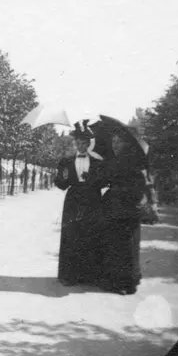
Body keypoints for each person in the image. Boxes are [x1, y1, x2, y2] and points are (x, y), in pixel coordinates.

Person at [54, 121, 105, 287]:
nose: (81, 145)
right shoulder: (66, 161)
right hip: (73, 200)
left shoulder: (97, 162)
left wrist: (92, 179)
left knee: (90, 234)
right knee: (71, 235)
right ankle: (68, 276)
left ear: (89, 144)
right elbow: (61, 184)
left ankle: (89, 276)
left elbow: (103, 183)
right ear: (75, 143)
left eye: (84, 142)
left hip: (92, 199)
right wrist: (62, 177)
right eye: (78, 142)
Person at [99, 129, 147, 295]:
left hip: (126, 206)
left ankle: (124, 283)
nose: (115, 145)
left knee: (124, 246)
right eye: (113, 142)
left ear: (126, 143)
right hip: (119, 206)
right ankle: (123, 281)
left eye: (118, 142)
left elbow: (140, 184)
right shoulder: (117, 160)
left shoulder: (129, 161)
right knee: (121, 244)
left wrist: (121, 189)